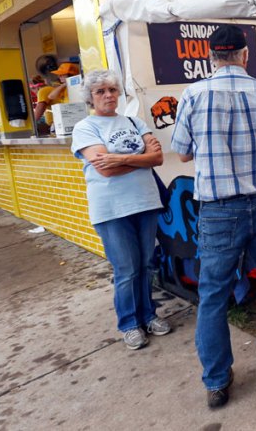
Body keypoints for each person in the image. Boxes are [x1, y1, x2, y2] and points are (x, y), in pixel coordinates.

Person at [170, 24, 256, 409]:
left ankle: (217, 381)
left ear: (211, 57)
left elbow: (182, 153)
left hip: (220, 209)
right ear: (244, 56)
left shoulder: (193, 94)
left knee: (212, 295)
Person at [70, 69, 171, 350]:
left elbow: (158, 158)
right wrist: (141, 159)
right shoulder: (85, 128)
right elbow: (104, 170)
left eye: (112, 90)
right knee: (127, 269)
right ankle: (129, 323)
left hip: (145, 202)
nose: (108, 95)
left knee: (147, 264)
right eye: (100, 91)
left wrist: (121, 158)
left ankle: (148, 315)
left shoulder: (133, 121)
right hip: (112, 209)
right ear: (90, 98)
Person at [34, 62, 80, 126]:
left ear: (71, 75)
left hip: (77, 117)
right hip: (67, 119)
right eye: (59, 74)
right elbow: (51, 96)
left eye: (62, 74)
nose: (59, 76)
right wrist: (64, 85)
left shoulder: (79, 85)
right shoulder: (63, 87)